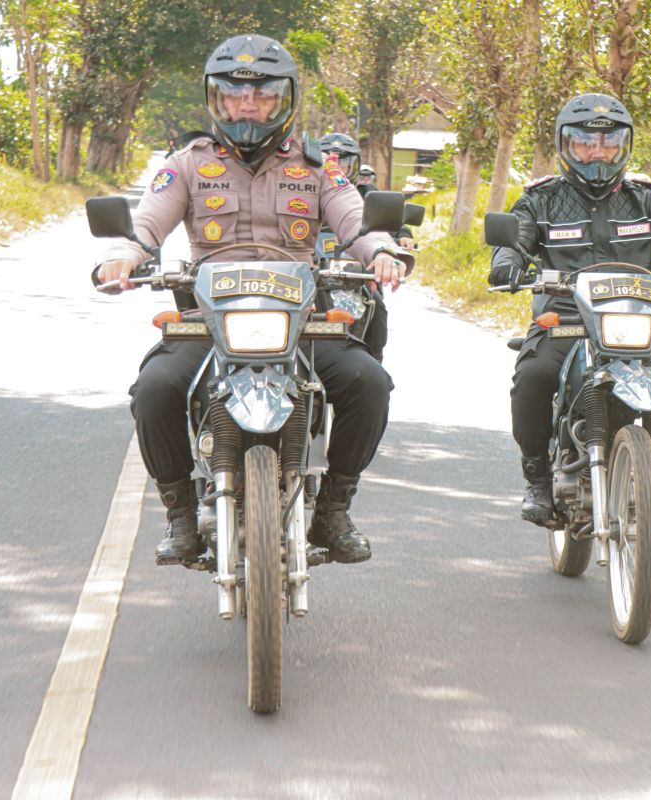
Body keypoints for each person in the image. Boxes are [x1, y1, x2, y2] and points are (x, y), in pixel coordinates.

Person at [94, 34, 413, 566]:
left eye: (262, 95)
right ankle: (179, 516)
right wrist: (124, 255)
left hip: (300, 321)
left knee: (370, 383)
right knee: (153, 389)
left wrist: (381, 252)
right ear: (215, 99)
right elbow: (146, 224)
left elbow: (357, 223)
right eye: (235, 94)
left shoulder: (318, 166)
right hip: (209, 320)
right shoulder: (187, 163)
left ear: (284, 99)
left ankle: (334, 509)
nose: (248, 106)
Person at [488, 93, 651, 527]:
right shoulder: (541, 200)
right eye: (584, 143)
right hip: (565, 321)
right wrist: (507, 263)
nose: (597, 153)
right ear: (566, 145)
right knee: (533, 375)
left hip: (635, 325)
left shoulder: (648, 201)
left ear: (624, 145)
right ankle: (537, 479)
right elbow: (515, 240)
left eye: (608, 143)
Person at [318, 132, 416, 362]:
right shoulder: (306, 189)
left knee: (376, 306)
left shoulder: (363, 194)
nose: (337, 166)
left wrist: (398, 239)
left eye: (344, 160)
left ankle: (374, 358)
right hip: (310, 270)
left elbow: (372, 219)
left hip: (357, 269)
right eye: (330, 158)